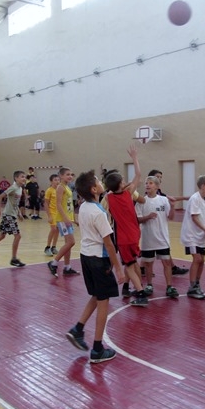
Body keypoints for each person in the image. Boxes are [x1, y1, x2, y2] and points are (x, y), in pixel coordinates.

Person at [65, 170, 125, 363]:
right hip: (99, 259)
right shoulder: (98, 213)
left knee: (97, 295)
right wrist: (118, 268)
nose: (101, 183)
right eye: (98, 181)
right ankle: (98, 349)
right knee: (103, 303)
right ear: (93, 189)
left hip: (86, 257)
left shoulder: (83, 207)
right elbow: (109, 243)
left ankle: (78, 329)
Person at [104, 145, 148, 306]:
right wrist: (134, 157)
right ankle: (139, 288)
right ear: (121, 184)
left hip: (123, 239)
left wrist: (118, 185)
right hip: (135, 235)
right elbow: (138, 174)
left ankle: (141, 293)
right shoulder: (128, 193)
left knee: (129, 267)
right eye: (122, 180)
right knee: (134, 263)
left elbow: (108, 193)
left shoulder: (109, 198)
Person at [135, 176, 179, 298]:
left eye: (151, 183)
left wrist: (173, 206)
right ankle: (149, 285)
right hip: (148, 238)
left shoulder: (164, 200)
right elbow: (137, 219)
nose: (147, 185)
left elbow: (171, 217)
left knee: (167, 262)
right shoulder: (141, 201)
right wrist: (148, 217)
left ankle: (169, 286)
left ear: (157, 186)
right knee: (148, 264)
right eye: (146, 183)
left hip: (162, 238)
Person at [145, 169, 188, 276]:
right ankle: (147, 271)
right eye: (157, 176)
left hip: (159, 231)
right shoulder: (148, 197)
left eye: (160, 177)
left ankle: (171, 268)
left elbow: (170, 199)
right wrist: (185, 197)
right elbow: (170, 198)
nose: (160, 179)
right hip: (150, 230)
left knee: (159, 252)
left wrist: (184, 198)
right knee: (149, 253)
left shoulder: (159, 194)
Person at [181, 175, 205, 300]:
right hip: (191, 234)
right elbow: (194, 218)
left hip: (200, 235)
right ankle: (192, 288)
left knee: (202, 260)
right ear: (203, 186)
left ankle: (197, 283)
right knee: (197, 259)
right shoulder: (195, 199)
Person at [47, 167, 79, 277]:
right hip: (62, 220)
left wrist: (74, 218)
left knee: (68, 244)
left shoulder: (67, 187)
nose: (70, 176)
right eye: (67, 174)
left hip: (67, 219)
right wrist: (65, 218)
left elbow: (70, 205)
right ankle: (54, 263)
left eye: (71, 174)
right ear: (61, 176)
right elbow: (58, 204)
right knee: (71, 242)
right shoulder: (60, 187)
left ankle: (67, 267)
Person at [43, 174, 60, 256]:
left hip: (59, 213)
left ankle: (54, 247)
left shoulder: (60, 190)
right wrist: (49, 216)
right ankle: (47, 247)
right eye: (55, 180)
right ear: (51, 181)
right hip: (52, 212)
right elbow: (46, 203)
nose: (57, 181)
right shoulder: (49, 190)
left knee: (57, 230)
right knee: (53, 229)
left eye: (58, 180)